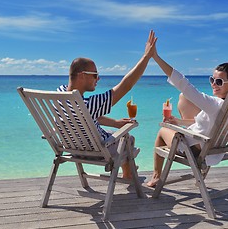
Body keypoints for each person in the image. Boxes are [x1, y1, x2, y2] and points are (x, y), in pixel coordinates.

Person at [147, 37, 228, 187]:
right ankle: (165, 173)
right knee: (183, 100)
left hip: (198, 151)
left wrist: (155, 57)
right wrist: (178, 122)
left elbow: (184, 84)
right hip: (216, 152)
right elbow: (208, 123)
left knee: (163, 131)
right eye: (212, 80)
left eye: (219, 82)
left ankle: (156, 176)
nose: (214, 84)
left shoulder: (215, 104)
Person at [57, 30, 157, 179]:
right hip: (98, 151)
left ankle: (129, 170)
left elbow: (86, 117)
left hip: (73, 148)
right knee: (127, 139)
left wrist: (116, 123)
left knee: (118, 135)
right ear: (82, 75)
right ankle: (128, 174)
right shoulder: (87, 105)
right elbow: (126, 85)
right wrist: (146, 57)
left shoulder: (60, 94)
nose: (98, 79)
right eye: (95, 75)